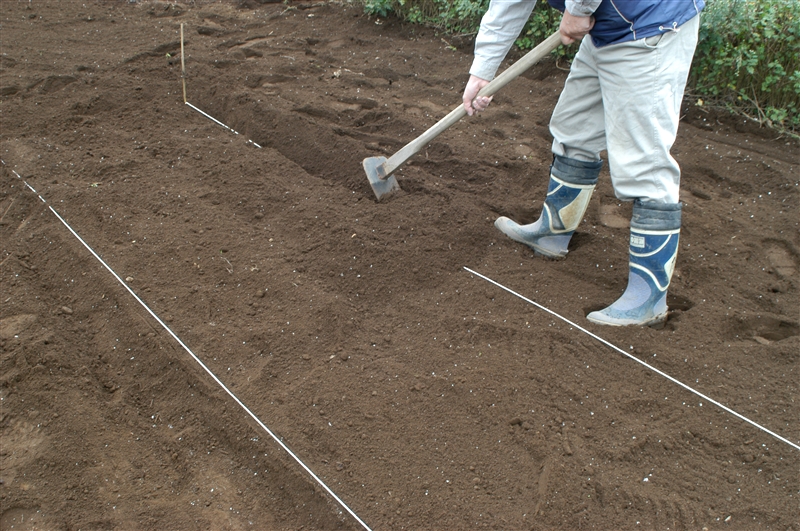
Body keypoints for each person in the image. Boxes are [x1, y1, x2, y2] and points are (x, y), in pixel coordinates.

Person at [462, 0, 704, 327]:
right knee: (574, 130)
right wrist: (482, 70)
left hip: (650, 24)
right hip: (606, 28)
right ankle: (553, 232)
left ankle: (648, 298)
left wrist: (578, 7)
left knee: (645, 163)